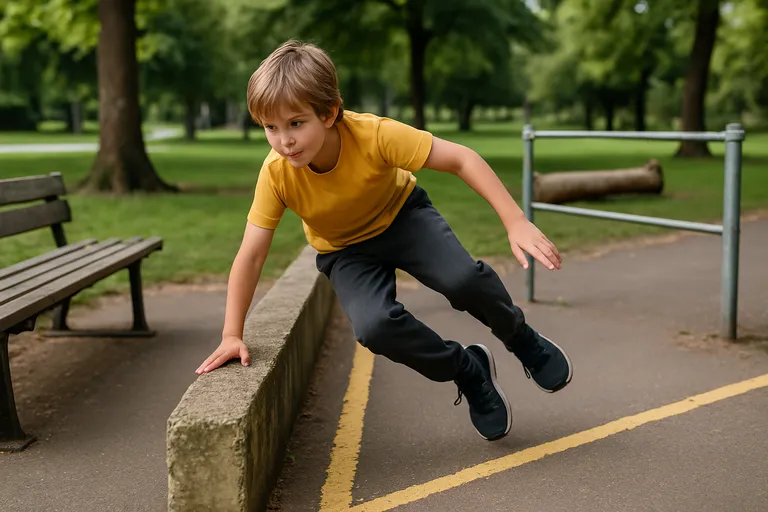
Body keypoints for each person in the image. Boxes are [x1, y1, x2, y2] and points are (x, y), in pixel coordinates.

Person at [196, 40, 572, 441]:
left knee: (463, 280)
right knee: (375, 327)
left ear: (329, 112)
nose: (284, 140)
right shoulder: (276, 174)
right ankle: (468, 370)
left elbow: (461, 159)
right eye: (271, 127)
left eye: (295, 123)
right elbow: (251, 255)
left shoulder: (374, 135)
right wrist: (232, 333)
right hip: (344, 252)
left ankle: (519, 336)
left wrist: (515, 220)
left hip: (404, 218)